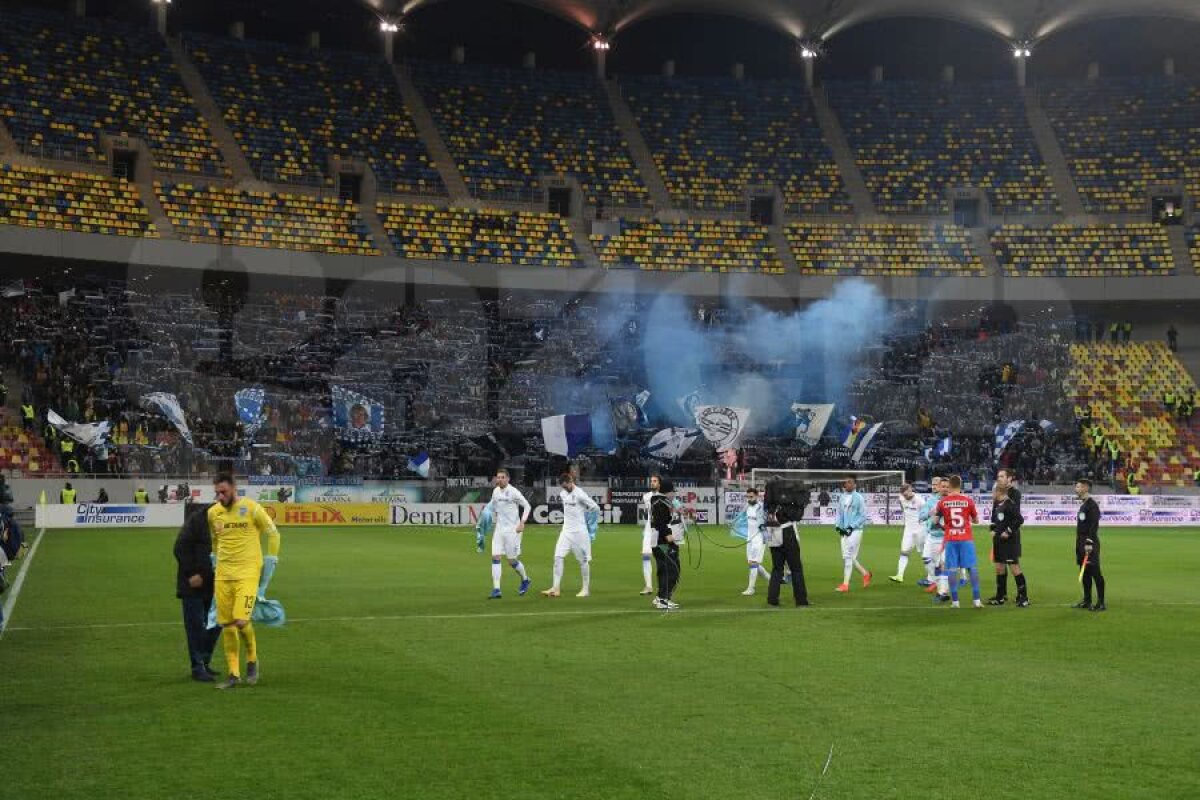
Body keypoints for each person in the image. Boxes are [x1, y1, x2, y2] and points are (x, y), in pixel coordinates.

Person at [208, 472, 282, 689]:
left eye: (223, 492)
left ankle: (251, 660)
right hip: (223, 575)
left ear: (234, 488)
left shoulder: (252, 508)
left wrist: (271, 558)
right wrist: (214, 560)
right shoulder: (213, 513)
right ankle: (233, 674)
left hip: (248, 574)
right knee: (227, 625)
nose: (220, 497)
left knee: (241, 621)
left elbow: (273, 533)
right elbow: (214, 541)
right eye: (217, 493)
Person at [174, 503, 220, 682]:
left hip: (215, 584)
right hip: (192, 585)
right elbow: (179, 547)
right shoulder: (197, 520)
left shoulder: (227, 521)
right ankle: (197, 666)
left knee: (215, 625)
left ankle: (205, 662)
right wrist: (192, 573)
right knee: (195, 627)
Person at [541, 473, 598, 599]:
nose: (564, 489)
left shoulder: (580, 494)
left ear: (571, 482)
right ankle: (555, 588)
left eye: (566, 486)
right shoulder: (563, 493)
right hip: (566, 532)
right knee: (557, 557)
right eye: (563, 487)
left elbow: (595, 507)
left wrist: (591, 526)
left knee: (583, 561)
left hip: (580, 533)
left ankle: (585, 589)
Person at [935, 475, 982, 609]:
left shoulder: (943, 502)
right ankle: (977, 600)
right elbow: (976, 520)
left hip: (951, 539)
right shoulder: (968, 500)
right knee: (972, 568)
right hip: (966, 538)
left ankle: (955, 602)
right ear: (960, 485)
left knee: (951, 569)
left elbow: (935, 521)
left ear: (949, 485)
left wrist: (945, 527)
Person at [485, 468, 532, 599]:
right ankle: (496, 589)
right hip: (499, 529)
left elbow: (527, 506)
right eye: (498, 477)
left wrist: (522, 522)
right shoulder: (495, 491)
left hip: (513, 530)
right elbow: (493, 506)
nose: (499, 479)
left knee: (511, 561)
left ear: (507, 479)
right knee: (495, 557)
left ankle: (525, 579)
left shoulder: (513, 492)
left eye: (502, 477)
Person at [763, 480, 810, 607]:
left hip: (773, 534)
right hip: (787, 532)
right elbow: (796, 516)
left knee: (777, 569)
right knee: (796, 568)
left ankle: (772, 599)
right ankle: (801, 600)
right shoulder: (788, 505)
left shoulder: (770, 506)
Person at [988, 468, 1029, 607]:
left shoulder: (1014, 494)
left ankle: (1023, 597)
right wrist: (993, 528)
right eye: (998, 476)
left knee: (1014, 566)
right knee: (999, 566)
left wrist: (1009, 531)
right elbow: (994, 513)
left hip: (1010, 536)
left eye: (1002, 476)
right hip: (998, 536)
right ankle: (1001, 596)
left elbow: (1016, 517)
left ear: (1010, 478)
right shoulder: (997, 491)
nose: (999, 478)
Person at [833, 475, 872, 593]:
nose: (848, 484)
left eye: (851, 482)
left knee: (848, 557)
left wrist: (851, 527)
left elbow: (863, 516)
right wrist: (838, 527)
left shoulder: (859, 498)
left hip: (855, 531)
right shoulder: (842, 497)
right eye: (847, 482)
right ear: (844, 485)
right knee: (849, 558)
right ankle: (866, 574)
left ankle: (845, 584)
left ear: (855, 485)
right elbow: (839, 513)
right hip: (844, 531)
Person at [648, 479, 683, 609]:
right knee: (672, 569)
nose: (674, 494)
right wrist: (669, 536)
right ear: (668, 492)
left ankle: (660, 597)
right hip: (663, 541)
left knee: (664, 569)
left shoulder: (658, 501)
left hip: (657, 540)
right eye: (673, 492)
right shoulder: (660, 502)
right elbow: (660, 521)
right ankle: (664, 599)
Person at [1074, 479, 1106, 612]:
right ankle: (1087, 600)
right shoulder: (1084, 504)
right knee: (1085, 572)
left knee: (1095, 572)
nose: (1076, 489)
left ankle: (1101, 603)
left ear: (1086, 488)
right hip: (1081, 542)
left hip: (1089, 544)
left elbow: (1094, 525)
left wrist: (1089, 542)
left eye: (1078, 486)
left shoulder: (1092, 505)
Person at [730, 487, 770, 596]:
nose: (749, 499)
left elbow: (768, 520)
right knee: (752, 563)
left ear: (757, 496)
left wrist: (764, 527)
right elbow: (741, 516)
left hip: (759, 538)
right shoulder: (747, 506)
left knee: (753, 563)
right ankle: (771, 579)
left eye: (751, 497)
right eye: (747, 497)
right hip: (750, 538)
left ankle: (751, 588)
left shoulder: (762, 507)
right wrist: (733, 522)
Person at [889, 483, 926, 583]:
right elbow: (903, 508)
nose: (905, 496)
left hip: (920, 530)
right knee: (904, 552)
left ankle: (933, 578)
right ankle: (899, 575)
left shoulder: (919, 500)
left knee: (925, 555)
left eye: (906, 494)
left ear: (911, 490)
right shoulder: (901, 498)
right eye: (904, 495)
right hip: (908, 530)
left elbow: (926, 514)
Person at [920, 477, 947, 595]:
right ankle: (935, 581)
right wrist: (929, 513)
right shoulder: (931, 500)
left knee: (941, 564)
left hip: (945, 537)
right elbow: (921, 516)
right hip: (932, 536)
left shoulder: (951, 501)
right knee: (926, 559)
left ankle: (942, 589)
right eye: (943, 486)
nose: (944, 489)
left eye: (947, 487)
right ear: (939, 487)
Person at [638, 475, 662, 595]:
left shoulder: (665, 496)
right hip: (649, 529)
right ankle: (648, 586)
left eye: (655, 481)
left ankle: (664, 587)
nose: (652, 483)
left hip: (661, 530)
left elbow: (676, 507)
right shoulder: (646, 496)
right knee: (646, 556)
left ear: (659, 483)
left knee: (663, 559)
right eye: (651, 481)